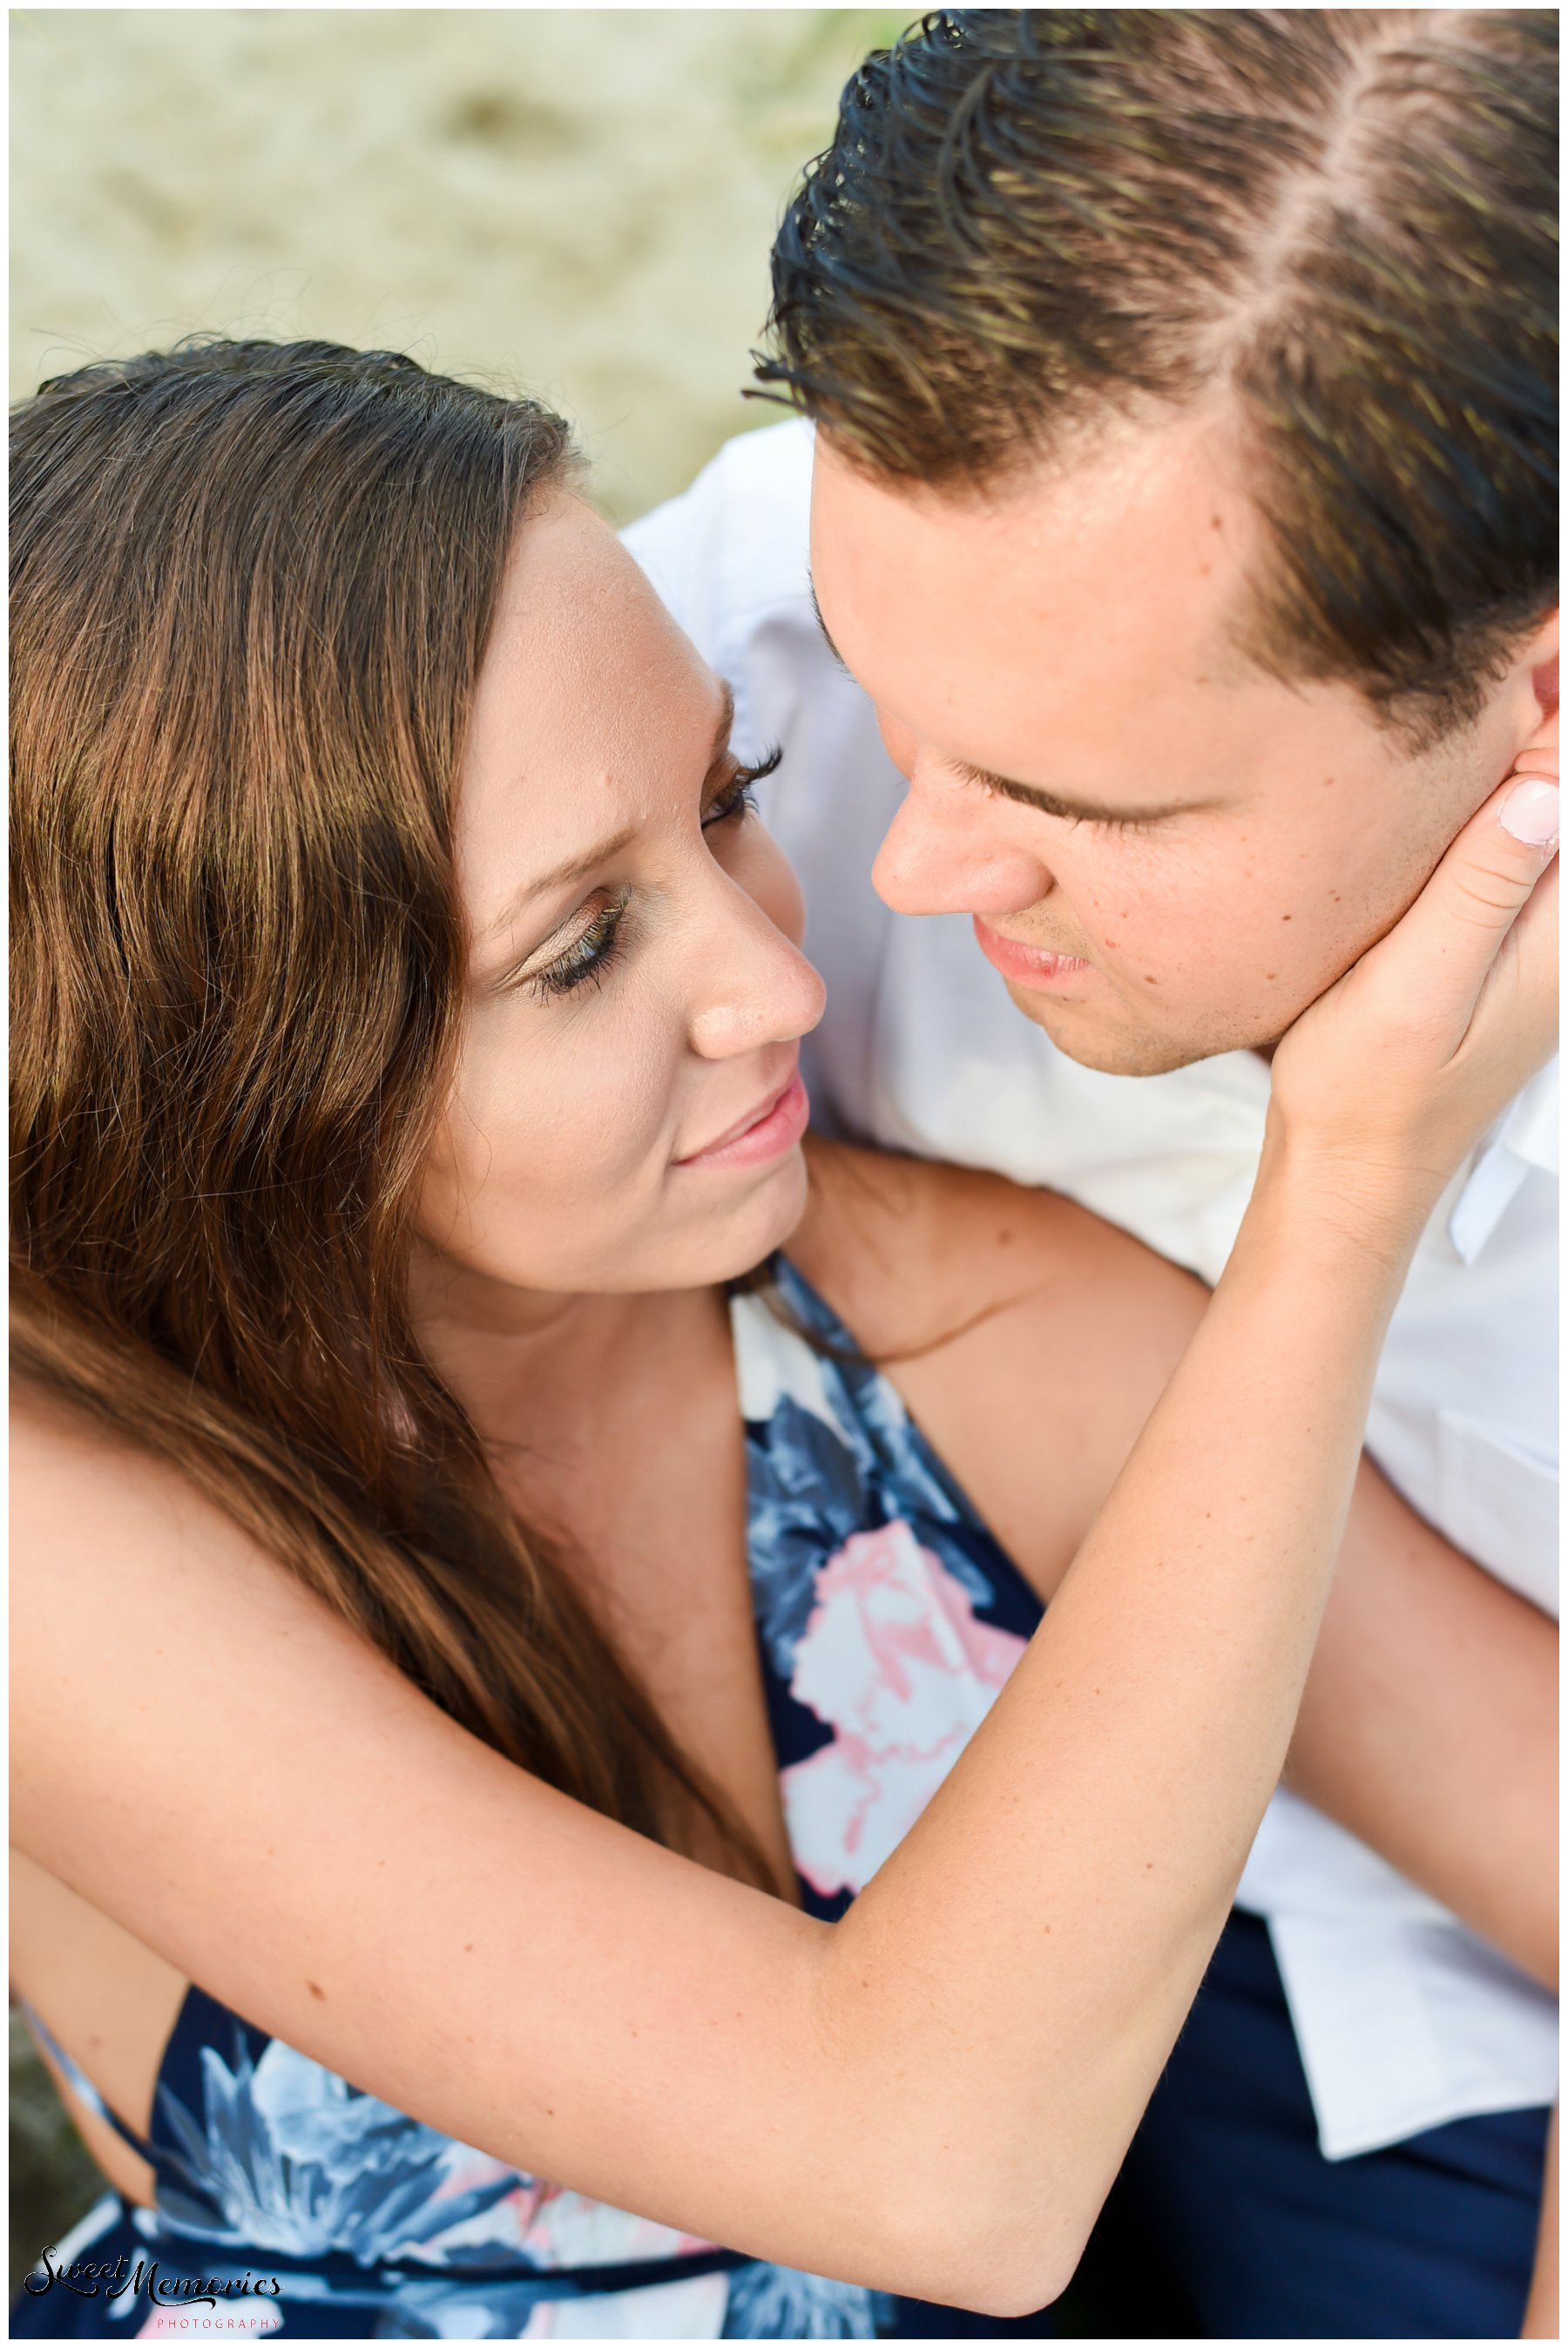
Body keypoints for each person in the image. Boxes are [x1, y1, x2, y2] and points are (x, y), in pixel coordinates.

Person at [8, 340, 1554, 2341]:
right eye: (578, 949)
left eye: (725, 798)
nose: (773, 978)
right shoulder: (57, 1517)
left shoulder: (956, 1329)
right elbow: (941, 2168)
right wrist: (1347, 1184)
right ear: (251, 1086)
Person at [621, 9, 1560, 2337]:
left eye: (1086, 808)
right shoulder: (791, 636)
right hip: (815, 1801)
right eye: (870, 702)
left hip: (1452, 2038)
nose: (903, 859)